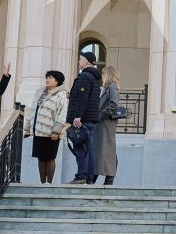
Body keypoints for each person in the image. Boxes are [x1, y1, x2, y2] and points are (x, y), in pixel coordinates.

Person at [64, 50, 103, 184]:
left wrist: (77, 116)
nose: (79, 62)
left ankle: (82, 176)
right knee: (89, 149)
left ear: (86, 61)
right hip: (90, 118)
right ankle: (88, 178)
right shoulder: (93, 77)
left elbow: (83, 98)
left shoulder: (85, 76)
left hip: (83, 120)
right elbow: (85, 95)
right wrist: (73, 94)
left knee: (81, 148)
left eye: (80, 60)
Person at [28, 70, 69, 185]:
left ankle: (49, 183)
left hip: (51, 132)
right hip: (39, 131)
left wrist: (57, 130)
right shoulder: (40, 93)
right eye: (47, 77)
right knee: (40, 157)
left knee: (50, 157)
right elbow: (33, 110)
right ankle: (42, 182)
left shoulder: (61, 94)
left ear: (57, 81)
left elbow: (63, 113)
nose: (47, 80)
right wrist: (27, 127)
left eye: (50, 78)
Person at [91, 64, 123, 187]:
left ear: (108, 75)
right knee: (101, 150)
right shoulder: (106, 87)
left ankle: (108, 179)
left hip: (106, 122)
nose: (102, 76)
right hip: (102, 123)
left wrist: (100, 115)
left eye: (103, 74)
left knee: (107, 150)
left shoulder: (112, 86)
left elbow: (113, 105)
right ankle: (98, 178)